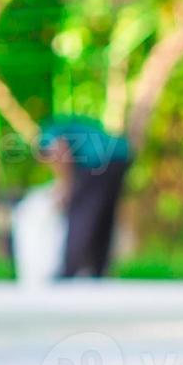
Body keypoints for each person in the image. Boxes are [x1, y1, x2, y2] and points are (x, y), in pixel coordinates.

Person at [36, 115, 133, 279]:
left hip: (97, 160)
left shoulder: (49, 135)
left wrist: (66, 186)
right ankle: (98, 269)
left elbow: (61, 153)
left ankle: (68, 270)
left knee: (80, 214)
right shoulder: (70, 126)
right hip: (121, 156)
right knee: (104, 216)